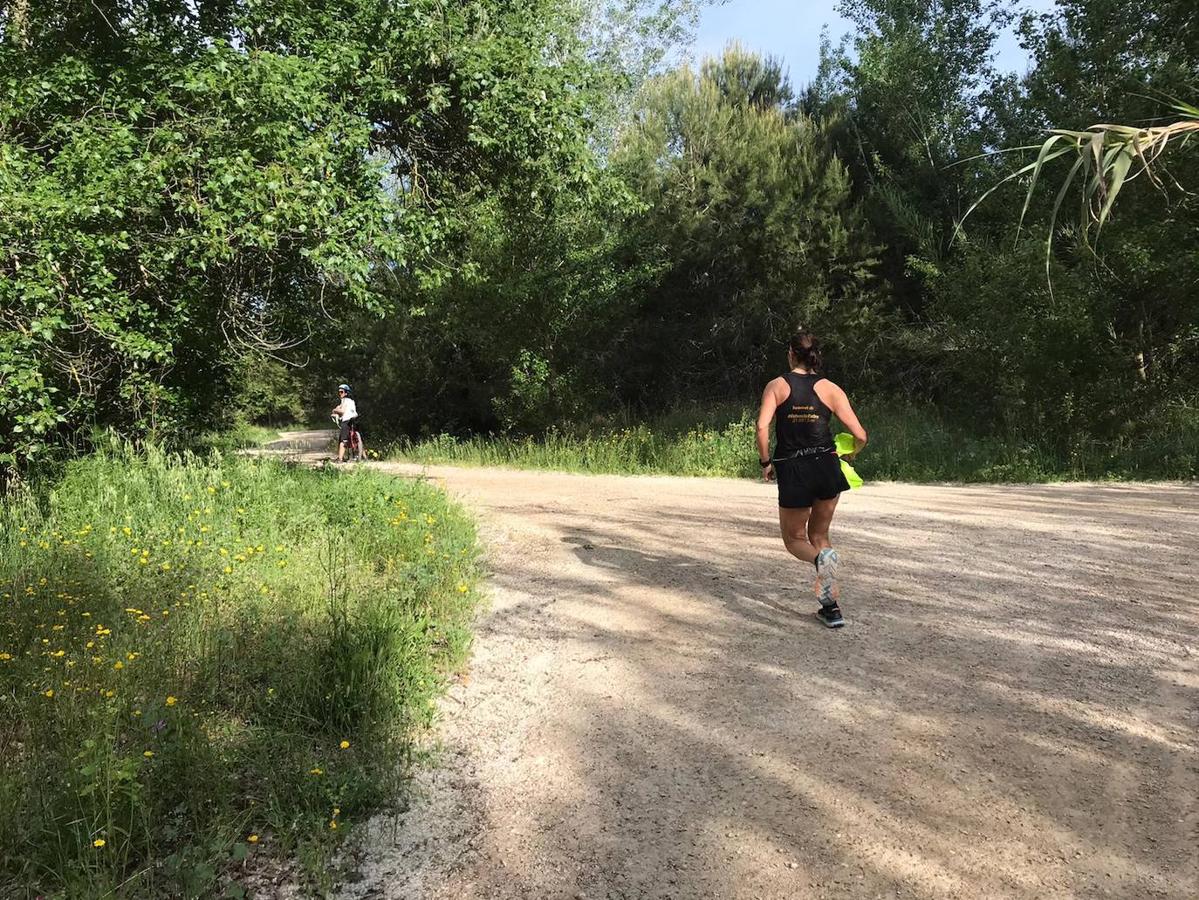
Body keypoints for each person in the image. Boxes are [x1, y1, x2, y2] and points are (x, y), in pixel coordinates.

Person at [756, 331, 867, 628]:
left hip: (794, 468)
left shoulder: (777, 386)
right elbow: (861, 435)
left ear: (791, 354)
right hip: (827, 466)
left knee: (794, 540)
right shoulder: (831, 388)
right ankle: (831, 608)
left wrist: (766, 462)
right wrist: (852, 453)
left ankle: (822, 566)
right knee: (821, 538)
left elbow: (762, 427)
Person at [331, 383, 363, 462]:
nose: (340, 393)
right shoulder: (351, 401)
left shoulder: (345, 400)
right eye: (339, 392)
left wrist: (334, 411)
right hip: (355, 418)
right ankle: (363, 456)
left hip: (346, 420)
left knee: (343, 440)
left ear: (346, 393)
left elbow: (342, 411)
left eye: (341, 392)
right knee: (357, 438)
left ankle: (340, 459)